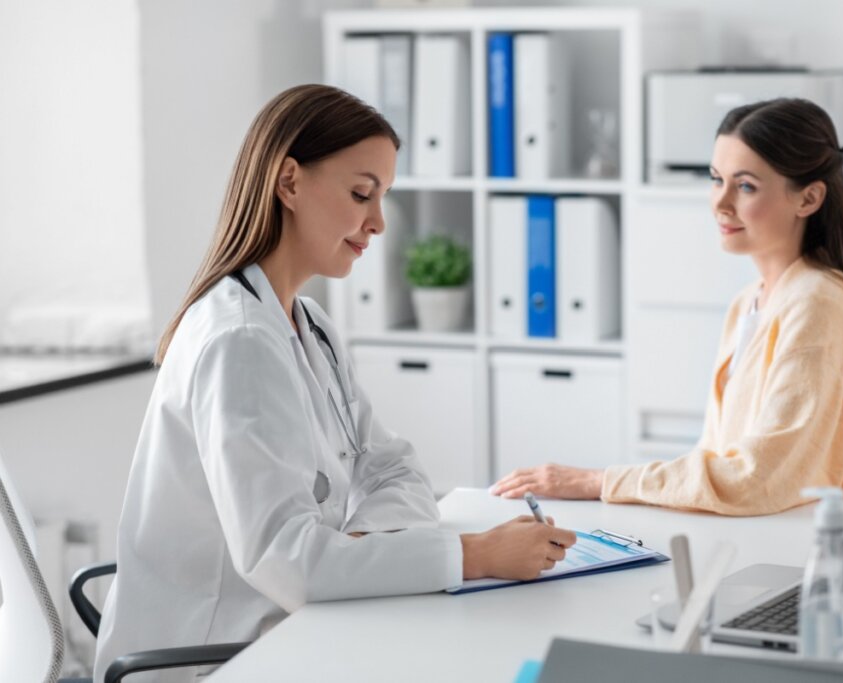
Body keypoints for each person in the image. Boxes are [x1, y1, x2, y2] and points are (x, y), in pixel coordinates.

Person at [94, 84, 575, 682]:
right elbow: (288, 562)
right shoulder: (237, 341)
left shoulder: (308, 322)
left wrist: (353, 547)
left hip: (294, 627)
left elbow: (395, 469)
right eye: (360, 193)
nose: (377, 223)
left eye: (383, 198)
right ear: (289, 181)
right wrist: (473, 555)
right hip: (213, 658)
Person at [491, 98, 843, 517]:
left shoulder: (818, 303)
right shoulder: (751, 301)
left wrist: (598, 482)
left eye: (745, 186)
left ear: (808, 198)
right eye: (715, 179)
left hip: (791, 548)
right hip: (745, 534)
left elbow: (756, 478)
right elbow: (719, 456)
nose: (720, 203)